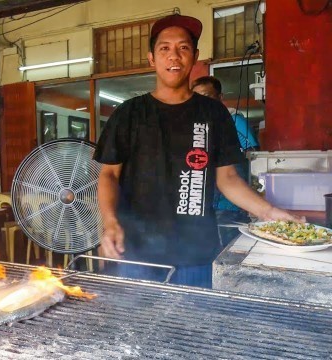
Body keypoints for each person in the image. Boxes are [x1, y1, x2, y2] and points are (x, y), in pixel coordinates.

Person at [93, 14, 300, 288]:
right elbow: (108, 175)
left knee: (192, 327)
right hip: (137, 253)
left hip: (196, 254)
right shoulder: (128, 114)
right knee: (136, 326)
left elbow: (227, 179)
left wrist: (271, 213)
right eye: (164, 48)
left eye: (183, 48)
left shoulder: (213, 113)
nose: (174, 56)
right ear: (152, 59)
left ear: (195, 57)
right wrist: (110, 223)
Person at [191, 76, 260, 248]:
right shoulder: (197, 126)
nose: (202, 102)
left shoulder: (235, 121)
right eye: (197, 97)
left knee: (229, 248)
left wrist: (252, 198)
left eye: (208, 96)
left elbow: (253, 158)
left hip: (229, 203)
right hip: (203, 202)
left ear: (220, 97)